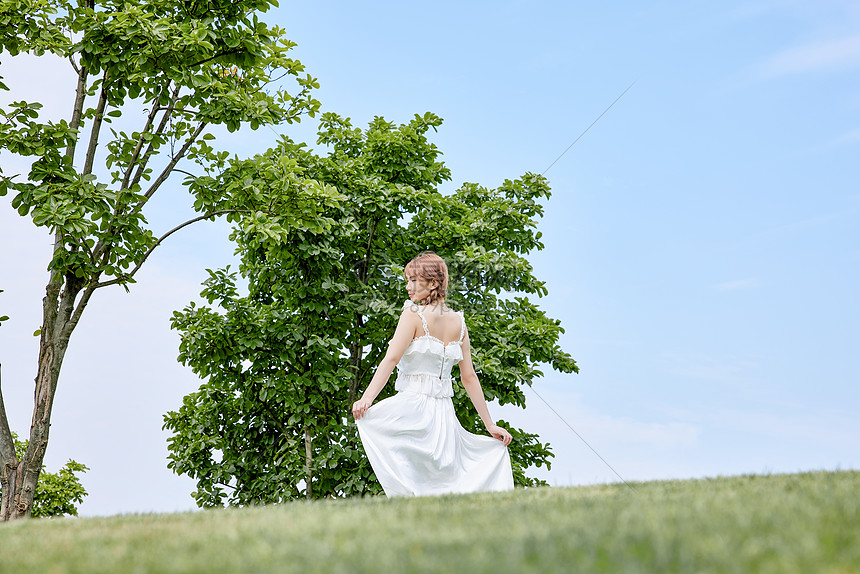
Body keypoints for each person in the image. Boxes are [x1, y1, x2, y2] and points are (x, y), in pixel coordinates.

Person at [352, 252, 514, 496]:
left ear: (433, 283)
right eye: (407, 280)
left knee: (415, 486)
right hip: (443, 417)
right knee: (439, 488)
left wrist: (367, 399)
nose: (408, 287)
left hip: (413, 411)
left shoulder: (412, 314)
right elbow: (468, 377)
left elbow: (391, 359)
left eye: (413, 280)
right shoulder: (459, 322)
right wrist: (488, 423)